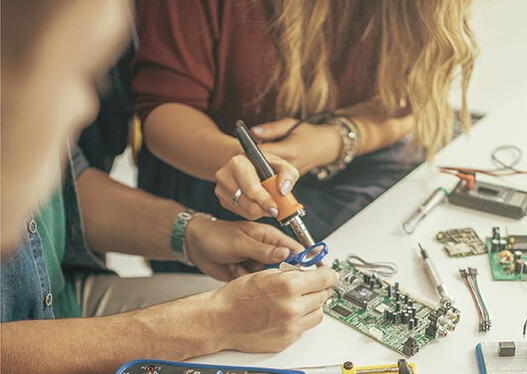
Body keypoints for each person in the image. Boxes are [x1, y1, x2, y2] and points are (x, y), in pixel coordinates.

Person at [0, 1, 336, 373]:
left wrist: (193, 233)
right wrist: (208, 323)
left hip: (61, 302)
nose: (88, 109)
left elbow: (67, 191)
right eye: (65, 76)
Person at [132, 0, 477, 264]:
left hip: (356, 155)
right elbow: (163, 114)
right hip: (218, 181)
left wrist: (334, 139)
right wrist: (233, 158)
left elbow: (414, 104)